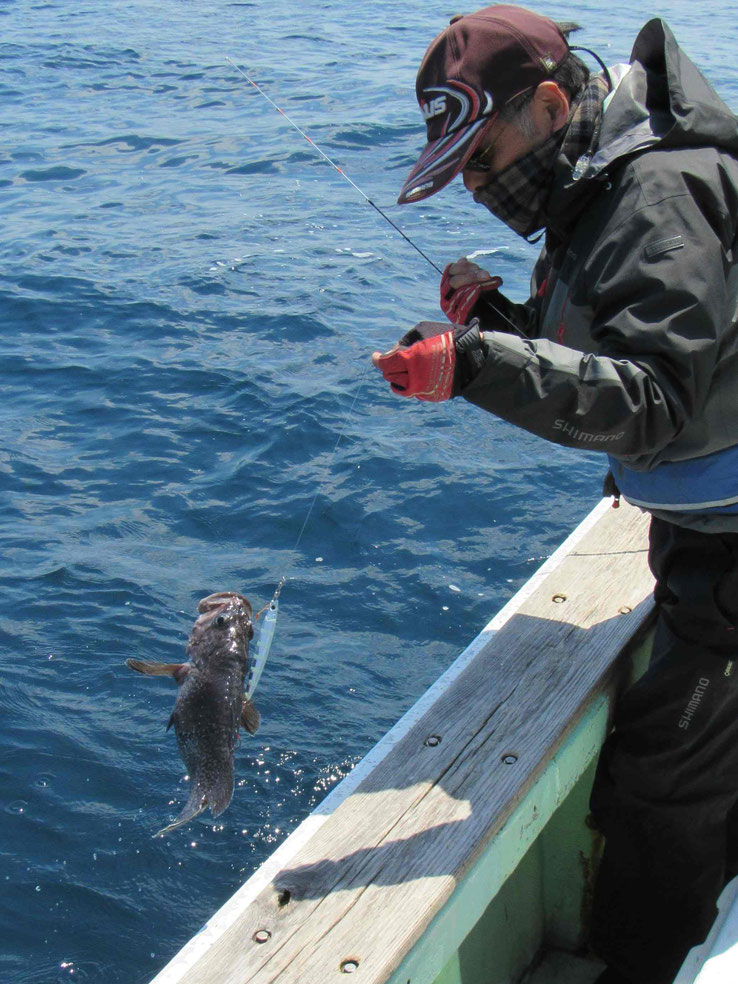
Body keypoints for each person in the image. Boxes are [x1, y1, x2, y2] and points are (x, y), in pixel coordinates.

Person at [371, 5, 738, 984]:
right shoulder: (606, 186)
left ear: (546, 104)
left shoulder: (659, 194)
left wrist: (476, 365)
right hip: (705, 535)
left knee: (663, 795)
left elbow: (654, 402)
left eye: (482, 157)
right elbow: (630, 341)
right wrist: (502, 318)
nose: (480, 186)